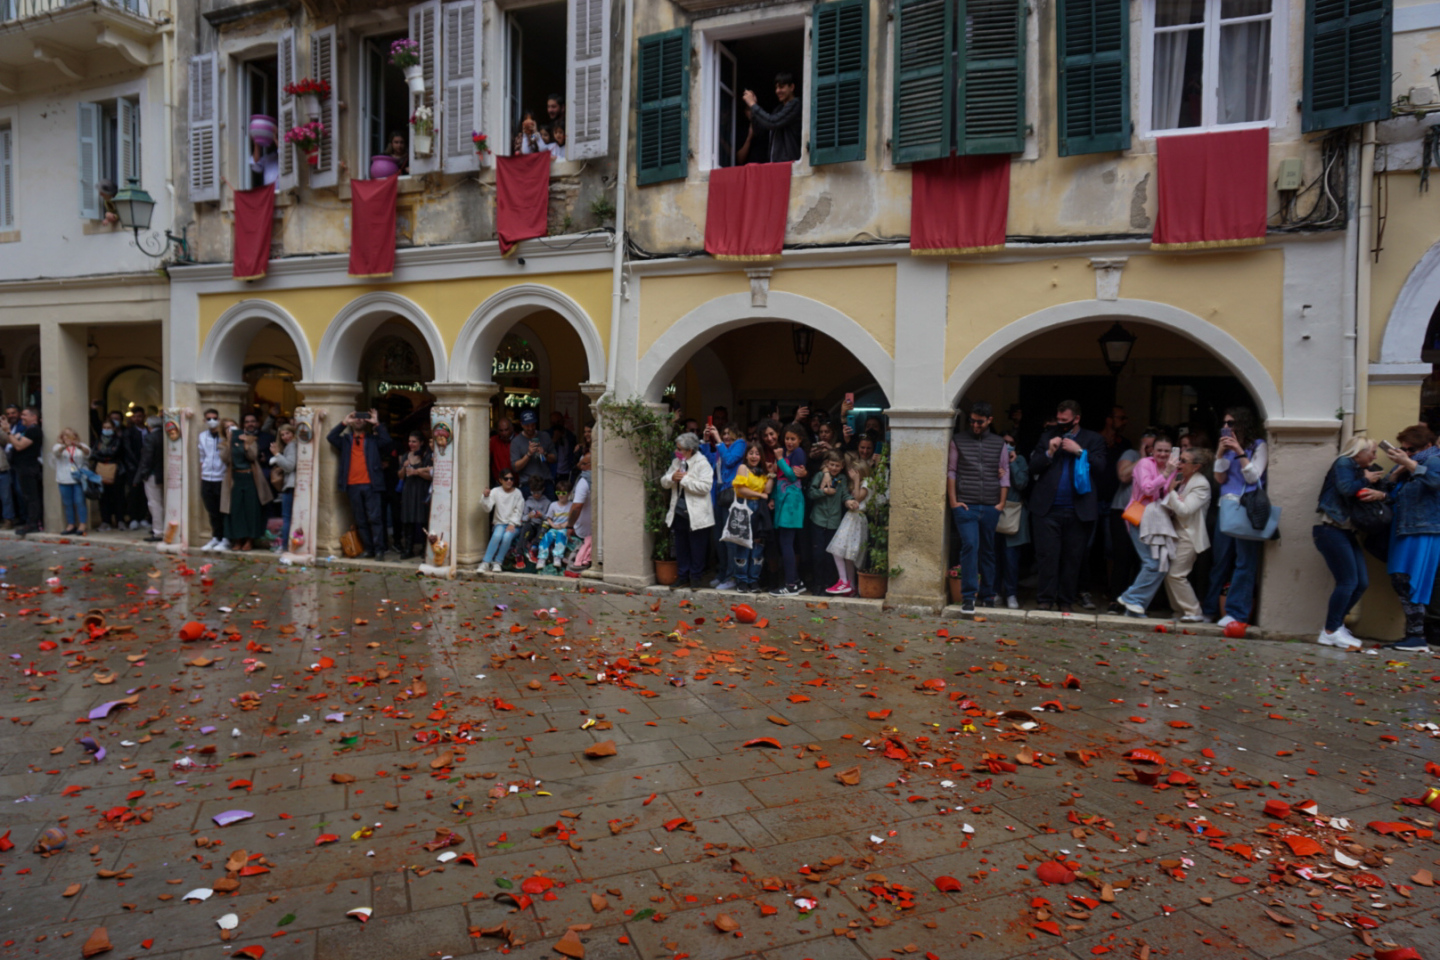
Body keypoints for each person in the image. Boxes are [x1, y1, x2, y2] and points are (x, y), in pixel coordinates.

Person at [1028, 400, 1108, 612]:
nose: (1061, 423)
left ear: (1076, 419)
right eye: (1059, 419)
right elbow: (1032, 467)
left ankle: (1066, 601)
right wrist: (1049, 452)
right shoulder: (1048, 436)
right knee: (1047, 557)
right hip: (1047, 510)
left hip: (1078, 511)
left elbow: (1101, 467)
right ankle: (1045, 600)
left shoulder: (1093, 439)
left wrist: (1079, 451)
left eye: (1065, 420)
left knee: (1072, 559)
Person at [1311, 437, 1383, 650]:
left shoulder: (1359, 469)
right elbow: (1345, 488)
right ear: (1358, 452)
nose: (1375, 456)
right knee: (1348, 582)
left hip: (1346, 532)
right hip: (1331, 530)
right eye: (1372, 452)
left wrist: (1380, 489)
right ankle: (1330, 631)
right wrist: (1366, 479)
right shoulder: (1344, 463)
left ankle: (1336, 626)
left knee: (1360, 583)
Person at [1204, 407, 1267, 627]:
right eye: (1224, 423)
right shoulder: (1225, 448)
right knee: (1220, 561)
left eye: (1230, 423)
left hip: (1246, 508)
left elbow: (1253, 477)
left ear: (1242, 424)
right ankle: (1210, 610)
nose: (1226, 427)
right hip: (1226, 508)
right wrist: (1220, 453)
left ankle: (1237, 613)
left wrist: (1239, 450)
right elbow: (1220, 478)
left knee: (1244, 562)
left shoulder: (1258, 445)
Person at [1381, 425, 1440, 653]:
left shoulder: (1433, 460)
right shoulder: (1409, 465)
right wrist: (1396, 473)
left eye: (1411, 449)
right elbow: (1390, 492)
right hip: (1404, 528)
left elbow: (1435, 482)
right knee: (1401, 579)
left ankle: (1416, 637)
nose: (1407, 453)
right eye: (1403, 448)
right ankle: (1414, 636)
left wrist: (1408, 463)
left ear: (1427, 446)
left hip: (1422, 530)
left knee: (1410, 580)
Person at [948, 401, 1010, 614]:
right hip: (966, 505)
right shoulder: (958, 440)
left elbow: (1005, 473)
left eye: (980, 422)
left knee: (988, 551)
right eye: (972, 421)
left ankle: (988, 595)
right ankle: (968, 597)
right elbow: (952, 471)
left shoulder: (999, 443)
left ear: (989, 420)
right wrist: (953, 502)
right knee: (970, 546)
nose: (975, 425)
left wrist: (1001, 504)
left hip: (991, 505)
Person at [1116, 435, 1177, 617]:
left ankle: (1133, 610)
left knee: (1161, 565)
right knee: (1153, 563)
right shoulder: (1144, 464)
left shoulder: (1173, 468)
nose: (1163, 454)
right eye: (1159, 450)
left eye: (1167, 451)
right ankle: (1132, 598)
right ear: (1152, 451)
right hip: (1141, 517)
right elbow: (1147, 489)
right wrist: (1166, 474)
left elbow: (1170, 492)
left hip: (1159, 520)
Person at [326, 409, 392, 560]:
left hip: (371, 485)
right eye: (355, 417)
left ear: (366, 421)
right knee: (360, 520)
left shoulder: (373, 440)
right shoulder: (345, 440)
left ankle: (379, 550)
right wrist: (344, 422)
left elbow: (387, 441)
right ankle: (369, 549)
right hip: (352, 485)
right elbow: (331, 437)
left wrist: (376, 424)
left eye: (362, 418)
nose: (358, 420)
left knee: (375, 519)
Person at [1159, 447, 1214, 623]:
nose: (1178, 463)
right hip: (1176, 532)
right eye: (1179, 459)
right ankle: (1179, 611)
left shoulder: (1200, 484)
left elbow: (1184, 510)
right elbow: (1173, 506)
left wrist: (1171, 492)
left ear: (1196, 466)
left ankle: (1193, 611)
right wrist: (1174, 497)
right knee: (1169, 574)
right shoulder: (1181, 479)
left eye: (1183, 461)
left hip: (1189, 535)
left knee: (1176, 574)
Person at [661, 432, 715, 590]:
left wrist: (684, 480)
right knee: (681, 546)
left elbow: (705, 487)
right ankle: (682, 577)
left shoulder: (702, 463)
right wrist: (672, 477)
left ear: (690, 450)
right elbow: (664, 481)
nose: (676, 452)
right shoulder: (676, 462)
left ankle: (696, 578)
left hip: (697, 513)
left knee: (697, 547)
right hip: (679, 511)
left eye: (680, 449)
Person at [725, 442, 773, 593]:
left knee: (758, 546)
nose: (754, 456)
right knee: (743, 544)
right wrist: (759, 495)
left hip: (760, 510)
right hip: (745, 507)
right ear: (746, 455)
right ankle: (742, 581)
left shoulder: (761, 471)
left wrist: (771, 474)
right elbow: (741, 490)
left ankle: (754, 580)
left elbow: (767, 490)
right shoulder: (743, 468)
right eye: (751, 453)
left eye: (757, 453)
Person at [768, 422, 810, 596]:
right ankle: (797, 581)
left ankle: (790, 585)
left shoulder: (798, 453)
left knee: (786, 543)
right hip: (782, 501)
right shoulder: (785, 452)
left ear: (800, 440)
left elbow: (792, 476)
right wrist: (773, 498)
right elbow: (780, 477)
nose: (789, 442)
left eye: (793, 439)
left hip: (792, 503)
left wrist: (778, 459)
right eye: (787, 438)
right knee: (785, 542)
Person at [220, 419, 271, 551]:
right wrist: (230, 443)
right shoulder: (224, 444)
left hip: (250, 478)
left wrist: (247, 444)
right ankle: (238, 539)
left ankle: (249, 540)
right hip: (234, 479)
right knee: (236, 510)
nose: (230, 429)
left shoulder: (251, 440)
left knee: (251, 509)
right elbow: (225, 459)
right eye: (227, 427)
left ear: (238, 427)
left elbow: (253, 457)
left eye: (232, 426)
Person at [993, 432, 1029, 609]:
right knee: (993, 556)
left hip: (1013, 515)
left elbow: (1022, 483)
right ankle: (994, 592)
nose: (1007, 446)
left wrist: (1012, 464)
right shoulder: (992, 458)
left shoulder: (1020, 460)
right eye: (1004, 442)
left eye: (1011, 443)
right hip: (994, 512)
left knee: (1011, 559)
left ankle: (1011, 594)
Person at [826, 453, 871, 596]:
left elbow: (857, 499)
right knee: (846, 553)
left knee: (838, 549)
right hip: (851, 517)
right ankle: (850, 586)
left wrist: (857, 481)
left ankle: (844, 581)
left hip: (856, 518)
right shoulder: (857, 483)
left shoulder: (866, 483)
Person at [806, 450, 850, 595]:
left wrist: (850, 501)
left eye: (837, 465)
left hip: (834, 521)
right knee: (817, 553)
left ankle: (829, 584)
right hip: (818, 519)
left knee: (830, 555)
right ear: (827, 464)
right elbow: (811, 493)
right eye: (832, 465)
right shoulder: (820, 476)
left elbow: (844, 494)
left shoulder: (842, 479)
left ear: (842, 466)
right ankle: (817, 584)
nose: (834, 468)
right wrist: (824, 492)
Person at [743, 72, 802, 163]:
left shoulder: (796, 104)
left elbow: (772, 122)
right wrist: (753, 109)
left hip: (790, 164)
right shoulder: (778, 109)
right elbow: (761, 131)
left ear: (791, 87)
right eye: (776, 88)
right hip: (775, 163)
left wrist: (753, 104)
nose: (777, 91)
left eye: (781, 87)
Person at [479, 471, 525, 573]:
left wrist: (512, 524)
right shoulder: (495, 491)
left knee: (507, 537)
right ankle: (485, 562)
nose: (509, 481)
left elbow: (519, 510)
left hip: (514, 525)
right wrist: (486, 496)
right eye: (506, 479)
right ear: (500, 480)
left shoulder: (517, 493)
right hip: (499, 523)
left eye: (511, 479)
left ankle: (498, 562)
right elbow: (487, 508)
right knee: (497, 535)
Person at [398, 431, 433, 559]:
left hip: (421, 490)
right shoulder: (406, 456)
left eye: (414, 441)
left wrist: (416, 472)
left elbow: (431, 476)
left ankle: (425, 548)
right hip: (408, 490)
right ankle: (408, 548)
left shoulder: (426, 456)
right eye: (409, 441)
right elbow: (400, 476)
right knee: (408, 519)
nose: (411, 444)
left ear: (421, 443)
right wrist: (404, 467)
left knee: (423, 519)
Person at [198, 409, 228, 550]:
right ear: (204, 420)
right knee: (212, 510)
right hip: (207, 478)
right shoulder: (202, 436)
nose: (212, 421)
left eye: (214, 418)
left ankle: (226, 538)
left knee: (224, 511)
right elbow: (202, 456)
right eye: (208, 418)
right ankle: (216, 537)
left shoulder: (224, 436)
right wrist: (202, 475)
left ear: (219, 419)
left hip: (221, 478)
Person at [51, 428, 90, 535]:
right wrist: (65, 446)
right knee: (67, 503)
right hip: (63, 478)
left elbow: (88, 453)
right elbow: (56, 453)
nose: (68, 438)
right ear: (62, 437)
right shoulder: (58, 446)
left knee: (80, 501)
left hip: (78, 479)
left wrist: (79, 446)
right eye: (66, 435)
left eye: (71, 435)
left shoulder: (81, 446)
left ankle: (82, 524)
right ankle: (71, 524)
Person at [510, 409, 556, 498]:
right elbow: (515, 467)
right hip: (527, 484)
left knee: (550, 507)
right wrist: (528, 454)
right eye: (527, 425)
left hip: (546, 482)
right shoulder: (516, 442)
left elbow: (554, 459)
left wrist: (544, 454)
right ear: (521, 424)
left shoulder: (545, 436)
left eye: (533, 425)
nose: (530, 428)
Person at [565, 451, 595, 574]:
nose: (580, 467)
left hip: (584, 531)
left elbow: (576, 506)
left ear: (592, 464)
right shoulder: (603, 478)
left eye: (584, 464)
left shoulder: (584, 481)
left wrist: (570, 525)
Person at [137, 414, 165, 542]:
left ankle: (158, 531)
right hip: (163, 474)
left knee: (154, 503)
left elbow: (147, 459)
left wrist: (142, 475)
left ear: (149, 426)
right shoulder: (164, 435)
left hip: (153, 474)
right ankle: (162, 527)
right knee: (162, 502)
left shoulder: (150, 437)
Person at [271, 424, 297, 552]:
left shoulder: (291, 446)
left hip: (290, 485)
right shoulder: (294, 445)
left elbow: (290, 466)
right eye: (282, 435)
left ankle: (284, 546)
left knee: (287, 517)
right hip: (293, 485)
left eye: (288, 433)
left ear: (293, 433)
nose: (285, 437)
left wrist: (276, 454)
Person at [537, 482, 573, 575]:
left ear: (569, 493)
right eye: (558, 493)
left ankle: (557, 557)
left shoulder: (571, 505)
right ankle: (541, 558)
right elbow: (548, 518)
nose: (561, 495)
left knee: (561, 536)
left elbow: (572, 518)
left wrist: (565, 525)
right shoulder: (553, 505)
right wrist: (553, 525)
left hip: (564, 528)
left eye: (563, 493)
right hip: (554, 527)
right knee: (546, 537)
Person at [122, 408, 148, 529]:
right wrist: (136, 464)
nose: (137, 419)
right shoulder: (128, 432)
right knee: (133, 493)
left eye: (139, 416)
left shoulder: (148, 430)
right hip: (133, 467)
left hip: (146, 467)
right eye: (135, 416)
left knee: (145, 493)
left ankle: (143, 517)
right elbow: (128, 450)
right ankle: (133, 517)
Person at [520, 476, 552, 567]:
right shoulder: (528, 502)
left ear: (543, 490)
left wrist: (542, 516)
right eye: (533, 492)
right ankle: (520, 552)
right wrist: (529, 516)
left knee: (545, 525)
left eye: (539, 492)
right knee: (525, 527)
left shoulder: (547, 502)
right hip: (531, 524)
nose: (536, 495)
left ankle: (534, 547)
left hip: (541, 525)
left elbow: (549, 518)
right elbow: (523, 518)